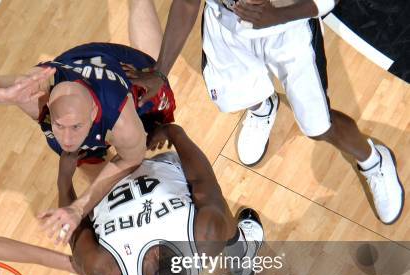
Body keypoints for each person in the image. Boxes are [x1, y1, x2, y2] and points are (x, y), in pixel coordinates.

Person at [124, 0, 404, 225]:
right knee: (237, 98)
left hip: (287, 29)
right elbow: (187, 4)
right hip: (226, 25)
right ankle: (262, 107)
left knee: (319, 127)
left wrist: (276, 15)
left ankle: (373, 159)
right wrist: (160, 71)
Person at [48, 123, 265, 275]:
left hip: (105, 187)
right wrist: (175, 133)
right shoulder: (204, 238)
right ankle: (242, 255)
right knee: (218, 219)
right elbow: (203, 181)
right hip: (158, 166)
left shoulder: (107, 273)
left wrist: (64, 179)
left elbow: (77, 231)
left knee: (78, 138)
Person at [0, 41, 177, 243]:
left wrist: (78, 207)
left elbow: (130, 160)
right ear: (47, 106)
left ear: (92, 113)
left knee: (141, 166)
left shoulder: (123, 123)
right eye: (58, 125)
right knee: (115, 190)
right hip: (74, 67)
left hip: (131, 75)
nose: (66, 140)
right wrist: (2, 96)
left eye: (75, 127)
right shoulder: (32, 92)